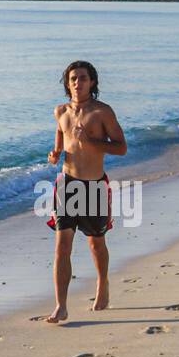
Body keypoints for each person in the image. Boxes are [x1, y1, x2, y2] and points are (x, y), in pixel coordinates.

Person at [45, 61, 128, 324]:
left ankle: (102, 285)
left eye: (82, 78)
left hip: (93, 187)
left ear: (92, 82)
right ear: (67, 83)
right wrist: (56, 154)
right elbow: (60, 139)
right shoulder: (60, 111)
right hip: (67, 184)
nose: (77, 83)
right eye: (72, 79)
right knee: (62, 246)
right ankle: (61, 306)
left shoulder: (102, 112)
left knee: (96, 243)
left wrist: (90, 141)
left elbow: (121, 148)